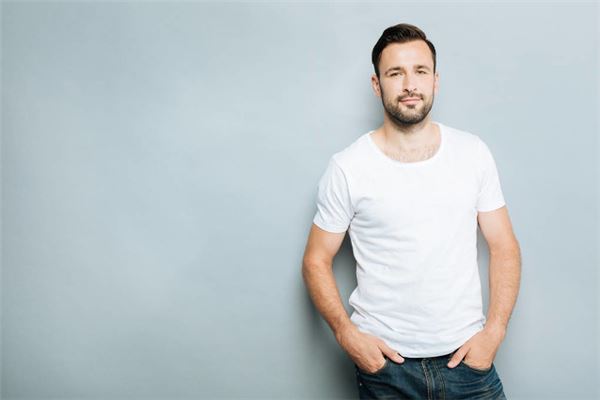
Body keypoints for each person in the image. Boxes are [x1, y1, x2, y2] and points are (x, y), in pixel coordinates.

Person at [301, 23, 521, 399]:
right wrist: (346, 333)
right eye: (395, 73)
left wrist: (495, 332)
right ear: (377, 85)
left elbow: (504, 246)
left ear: (435, 80)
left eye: (420, 71)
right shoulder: (348, 168)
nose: (409, 84)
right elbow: (315, 260)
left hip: (468, 362)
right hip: (387, 369)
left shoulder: (472, 153)